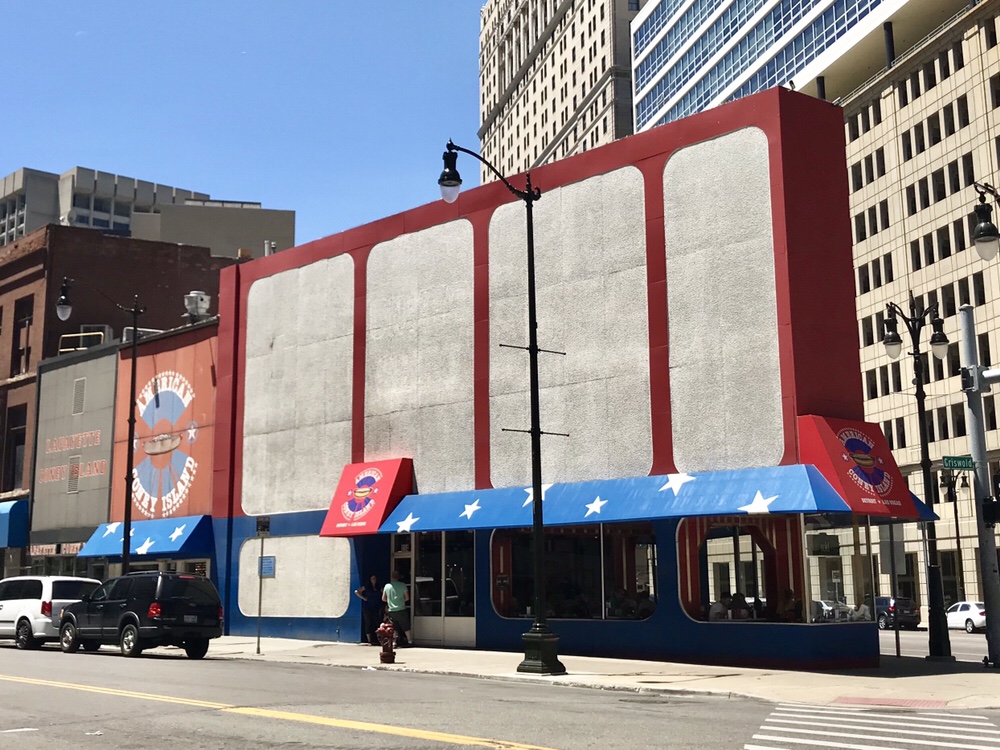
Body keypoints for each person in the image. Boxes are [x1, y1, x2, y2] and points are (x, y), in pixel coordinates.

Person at [382, 570, 412, 647]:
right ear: (398, 577)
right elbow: (407, 598)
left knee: (394, 627)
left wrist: (390, 601)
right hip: (401, 609)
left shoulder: (387, 586)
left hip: (391, 610)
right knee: (405, 626)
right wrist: (401, 601)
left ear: (391, 577)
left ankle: (394, 642)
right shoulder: (403, 585)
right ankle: (409, 641)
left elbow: (383, 599)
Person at [354, 574, 383, 646]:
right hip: (367, 607)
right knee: (368, 622)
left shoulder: (379, 587)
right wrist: (364, 598)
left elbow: (384, 593)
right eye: (372, 579)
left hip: (376, 606)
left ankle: (379, 639)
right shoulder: (366, 587)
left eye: (375, 578)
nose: (374, 580)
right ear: (370, 580)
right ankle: (369, 640)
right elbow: (356, 591)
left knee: (378, 622)